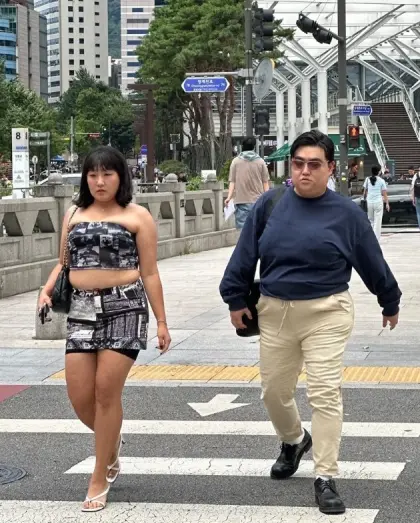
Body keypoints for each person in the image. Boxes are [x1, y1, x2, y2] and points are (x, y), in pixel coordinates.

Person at [219, 130, 401, 515]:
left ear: (330, 168)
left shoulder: (347, 214)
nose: (304, 171)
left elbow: (372, 261)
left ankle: (325, 477)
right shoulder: (270, 205)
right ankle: (294, 440)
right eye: (298, 164)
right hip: (275, 312)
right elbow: (245, 255)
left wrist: (389, 301)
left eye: (314, 165)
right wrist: (234, 297)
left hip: (327, 312)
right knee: (273, 392)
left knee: (324, 392)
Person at [37, 146, 171, 512]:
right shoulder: (73, 214)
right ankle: (111, 443)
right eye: (93, 174)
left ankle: (99, 476)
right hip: (81, 308)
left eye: (107, 174)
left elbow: (150, 272)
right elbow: (63, 263)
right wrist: (46, 290)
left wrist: (161, 322)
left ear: (120, 177)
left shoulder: (137, 216)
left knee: (106, 392)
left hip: (125, 306)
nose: (99, 181)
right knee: (80, 398)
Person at [224, 137, 270, 229]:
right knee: (257, 230)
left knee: (243, 231)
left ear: (242, 146)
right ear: (254, 147)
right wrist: (268, 199)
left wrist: (229, 197)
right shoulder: (261, 162)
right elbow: (265, 183)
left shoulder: (235, 162)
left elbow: (232, 181)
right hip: (258, 201)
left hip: (241, 201)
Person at [363, 165, 390, 240]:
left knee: (370, 220)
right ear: (378, 172)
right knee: (377, 221)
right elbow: (384, 193)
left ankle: (370, 237)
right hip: (378, 202)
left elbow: (365, 192)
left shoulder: (367, 179)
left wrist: (365, 198)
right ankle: (376, 239)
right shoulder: (381, 181)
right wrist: (387, 203)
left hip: (370, 202)